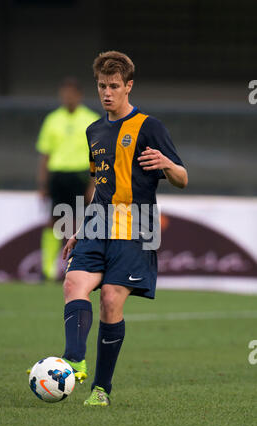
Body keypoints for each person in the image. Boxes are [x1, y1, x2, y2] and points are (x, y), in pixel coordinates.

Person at [61, 51, 188, 406]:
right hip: (98, 223)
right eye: (102, 85)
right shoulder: (94, 130)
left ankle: (101, 389)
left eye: (114, 86)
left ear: (128, 86)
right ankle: (74, 359)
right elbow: (100, 185)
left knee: (110, 300)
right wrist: (81, 226)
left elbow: (183, 178)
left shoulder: (150, 127)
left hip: (135, 228)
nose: (107, 92)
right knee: (73, 283)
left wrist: (166, 164)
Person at [36, 77, 100, 281]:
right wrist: (43, 184)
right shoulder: (52, 119)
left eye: (71, 93)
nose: (67, 97)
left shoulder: (91, 119)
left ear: (79, 95)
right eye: (64, 93)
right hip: (59, 176)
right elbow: (45, 154)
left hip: (81, 176)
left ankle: (81, 267)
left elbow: (97, 155)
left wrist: (93, 183)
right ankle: (48, 270)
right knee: (54, 222)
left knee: (82, 223)